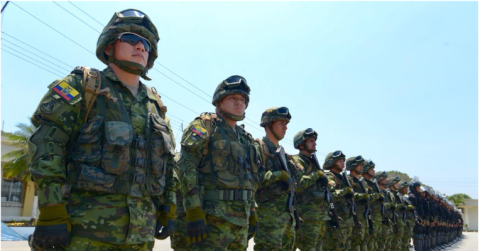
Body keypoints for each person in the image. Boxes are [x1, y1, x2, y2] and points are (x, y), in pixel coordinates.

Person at [28, 9, 178, 250]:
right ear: (109, 46)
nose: (140, 47)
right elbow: (47, 144)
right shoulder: (83, 85)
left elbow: (169, 165)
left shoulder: (156, 106)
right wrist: (52, 209)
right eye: (131, 39)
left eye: (146, 44)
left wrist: (168, 207)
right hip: (83, 233)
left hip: (141, 236)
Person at [176, 75, 260, 250]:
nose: (239, 103)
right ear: (219, 102)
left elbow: (248, 178)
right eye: (233, 98)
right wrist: (193, 210)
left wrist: (252, 211)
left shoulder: (245, 138)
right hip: (211, 219)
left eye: (243, 99)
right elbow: (186, 167)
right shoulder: (205, 126)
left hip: (240, 222)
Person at [254, 107, 297, 251]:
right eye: (281, 123)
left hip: (287, 215)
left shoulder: (283, 154)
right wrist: (280, 175)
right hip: (268, 216)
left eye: (286, 124)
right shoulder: (259, 147)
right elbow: (255, 179)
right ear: (268, 125)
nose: (285, 127)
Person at [291, 128, 332, 251]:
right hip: (307, 216)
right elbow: (297, 185)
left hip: (320, 216)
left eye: (314, 140)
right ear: (301, 143)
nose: (314, 143)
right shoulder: (296, 160)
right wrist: (316, 175)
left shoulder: (314, 163)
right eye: (311, 140)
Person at [323, 150, 355, 251]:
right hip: (336, 220)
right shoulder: (329, 177)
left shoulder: (344, 178)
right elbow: (330, 196)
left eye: (343, 160)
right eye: (340, 161)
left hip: (347, 221)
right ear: (332, 162)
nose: (343, 163)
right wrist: (345, 190)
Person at [346, 155, 369, 251]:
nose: (361, 167)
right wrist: (362, 196)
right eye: (359, 165)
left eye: (362, 165)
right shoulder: (348, 179)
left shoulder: (361, 181)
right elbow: (349, 194)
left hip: (363, 217)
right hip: (355, 217)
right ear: (352, 166)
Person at [361, 160, 384, 250]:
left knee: (374, 244)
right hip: (367, 216)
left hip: (375, 217)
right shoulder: (362, 182)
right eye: (371, 169)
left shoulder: (373, 184)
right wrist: (377, 195)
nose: (373, 171)